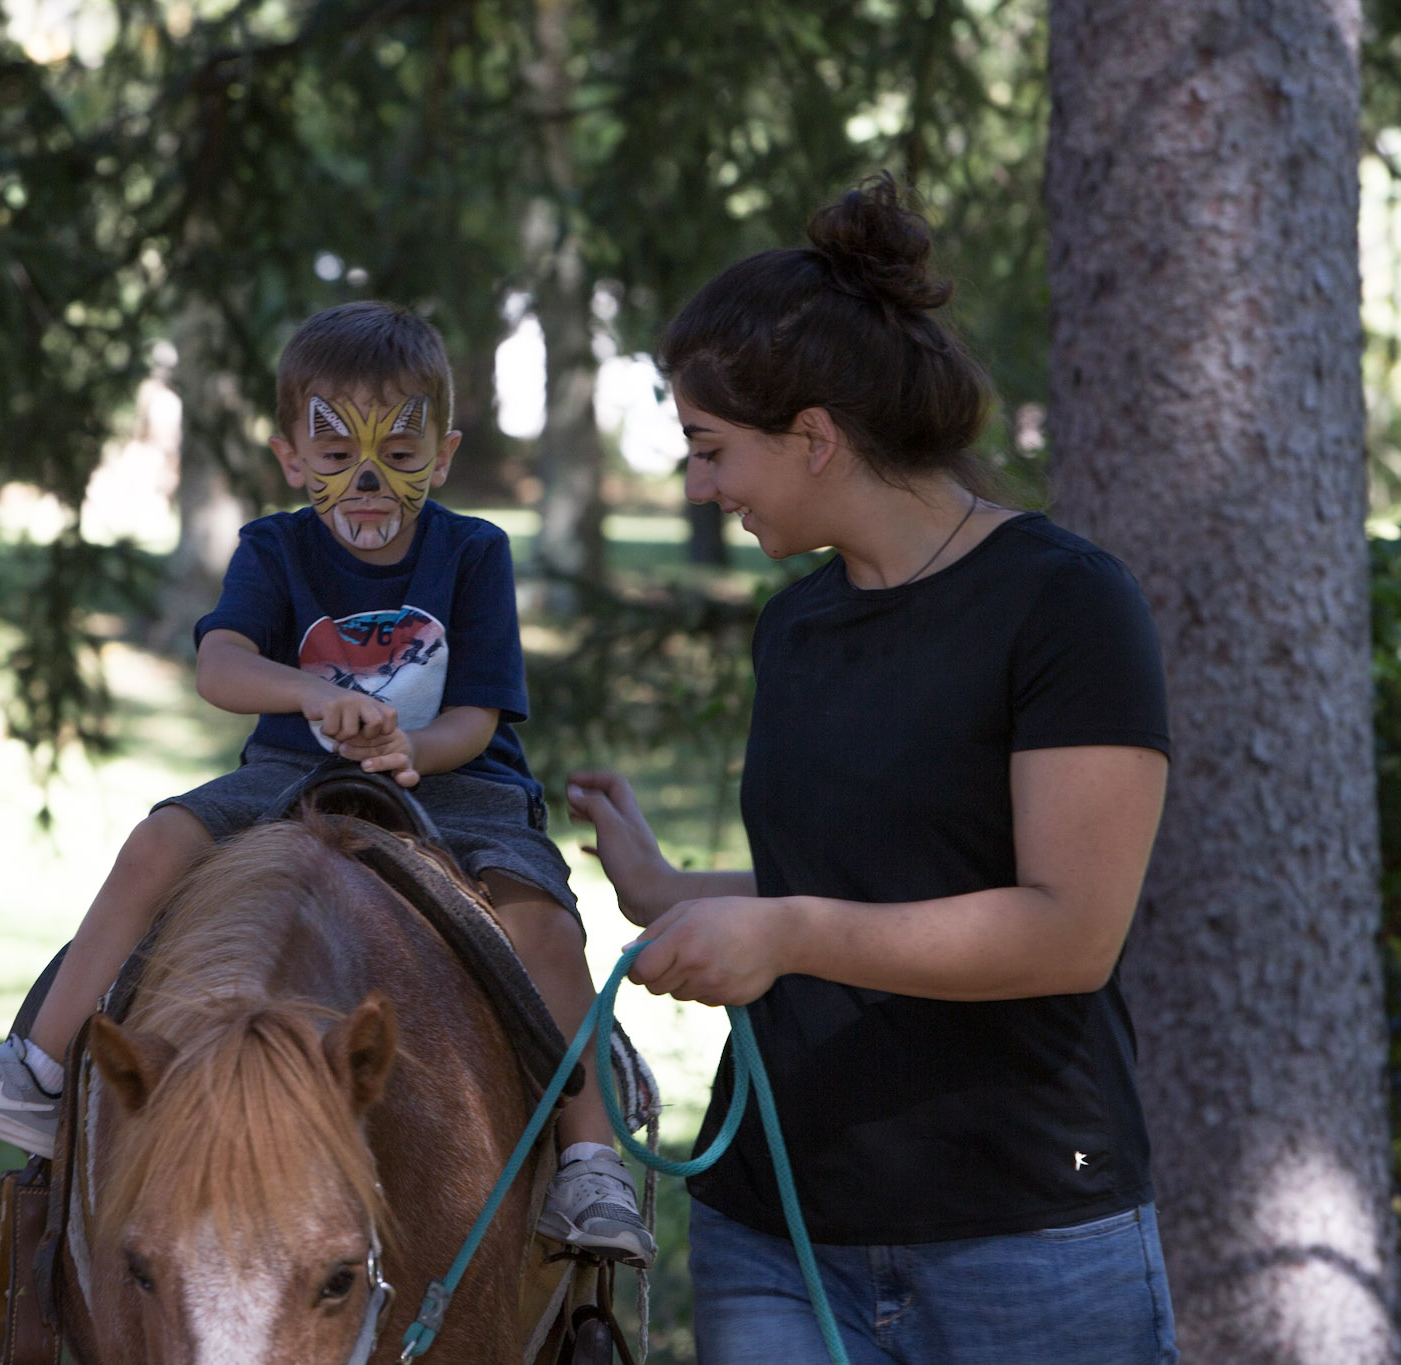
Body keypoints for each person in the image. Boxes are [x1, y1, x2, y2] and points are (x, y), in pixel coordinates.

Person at [0, 300, 652, 1265]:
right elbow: (221, 666)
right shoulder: (274, 549)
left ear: (443, 454)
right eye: (335, 456)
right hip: (290, 769)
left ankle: (589, 1158)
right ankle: (37, 1065)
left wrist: (418, 752)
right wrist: (314, 694)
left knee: (538, 919)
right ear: (292, 457)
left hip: (459, 783)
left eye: (397, 452)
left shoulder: (475, 552)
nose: (366, 480)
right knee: (160, 840)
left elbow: (477, 719)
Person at [566, 174, 1179, 1363]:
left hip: (1022, 1236)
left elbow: (1069, 932)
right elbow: (858, 882)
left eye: (708, 449)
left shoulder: (1064, 605)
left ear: (813, 438)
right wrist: (668, 892)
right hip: (776, 1233)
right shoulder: (793, 627)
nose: (698, 488)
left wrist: (785, 933)